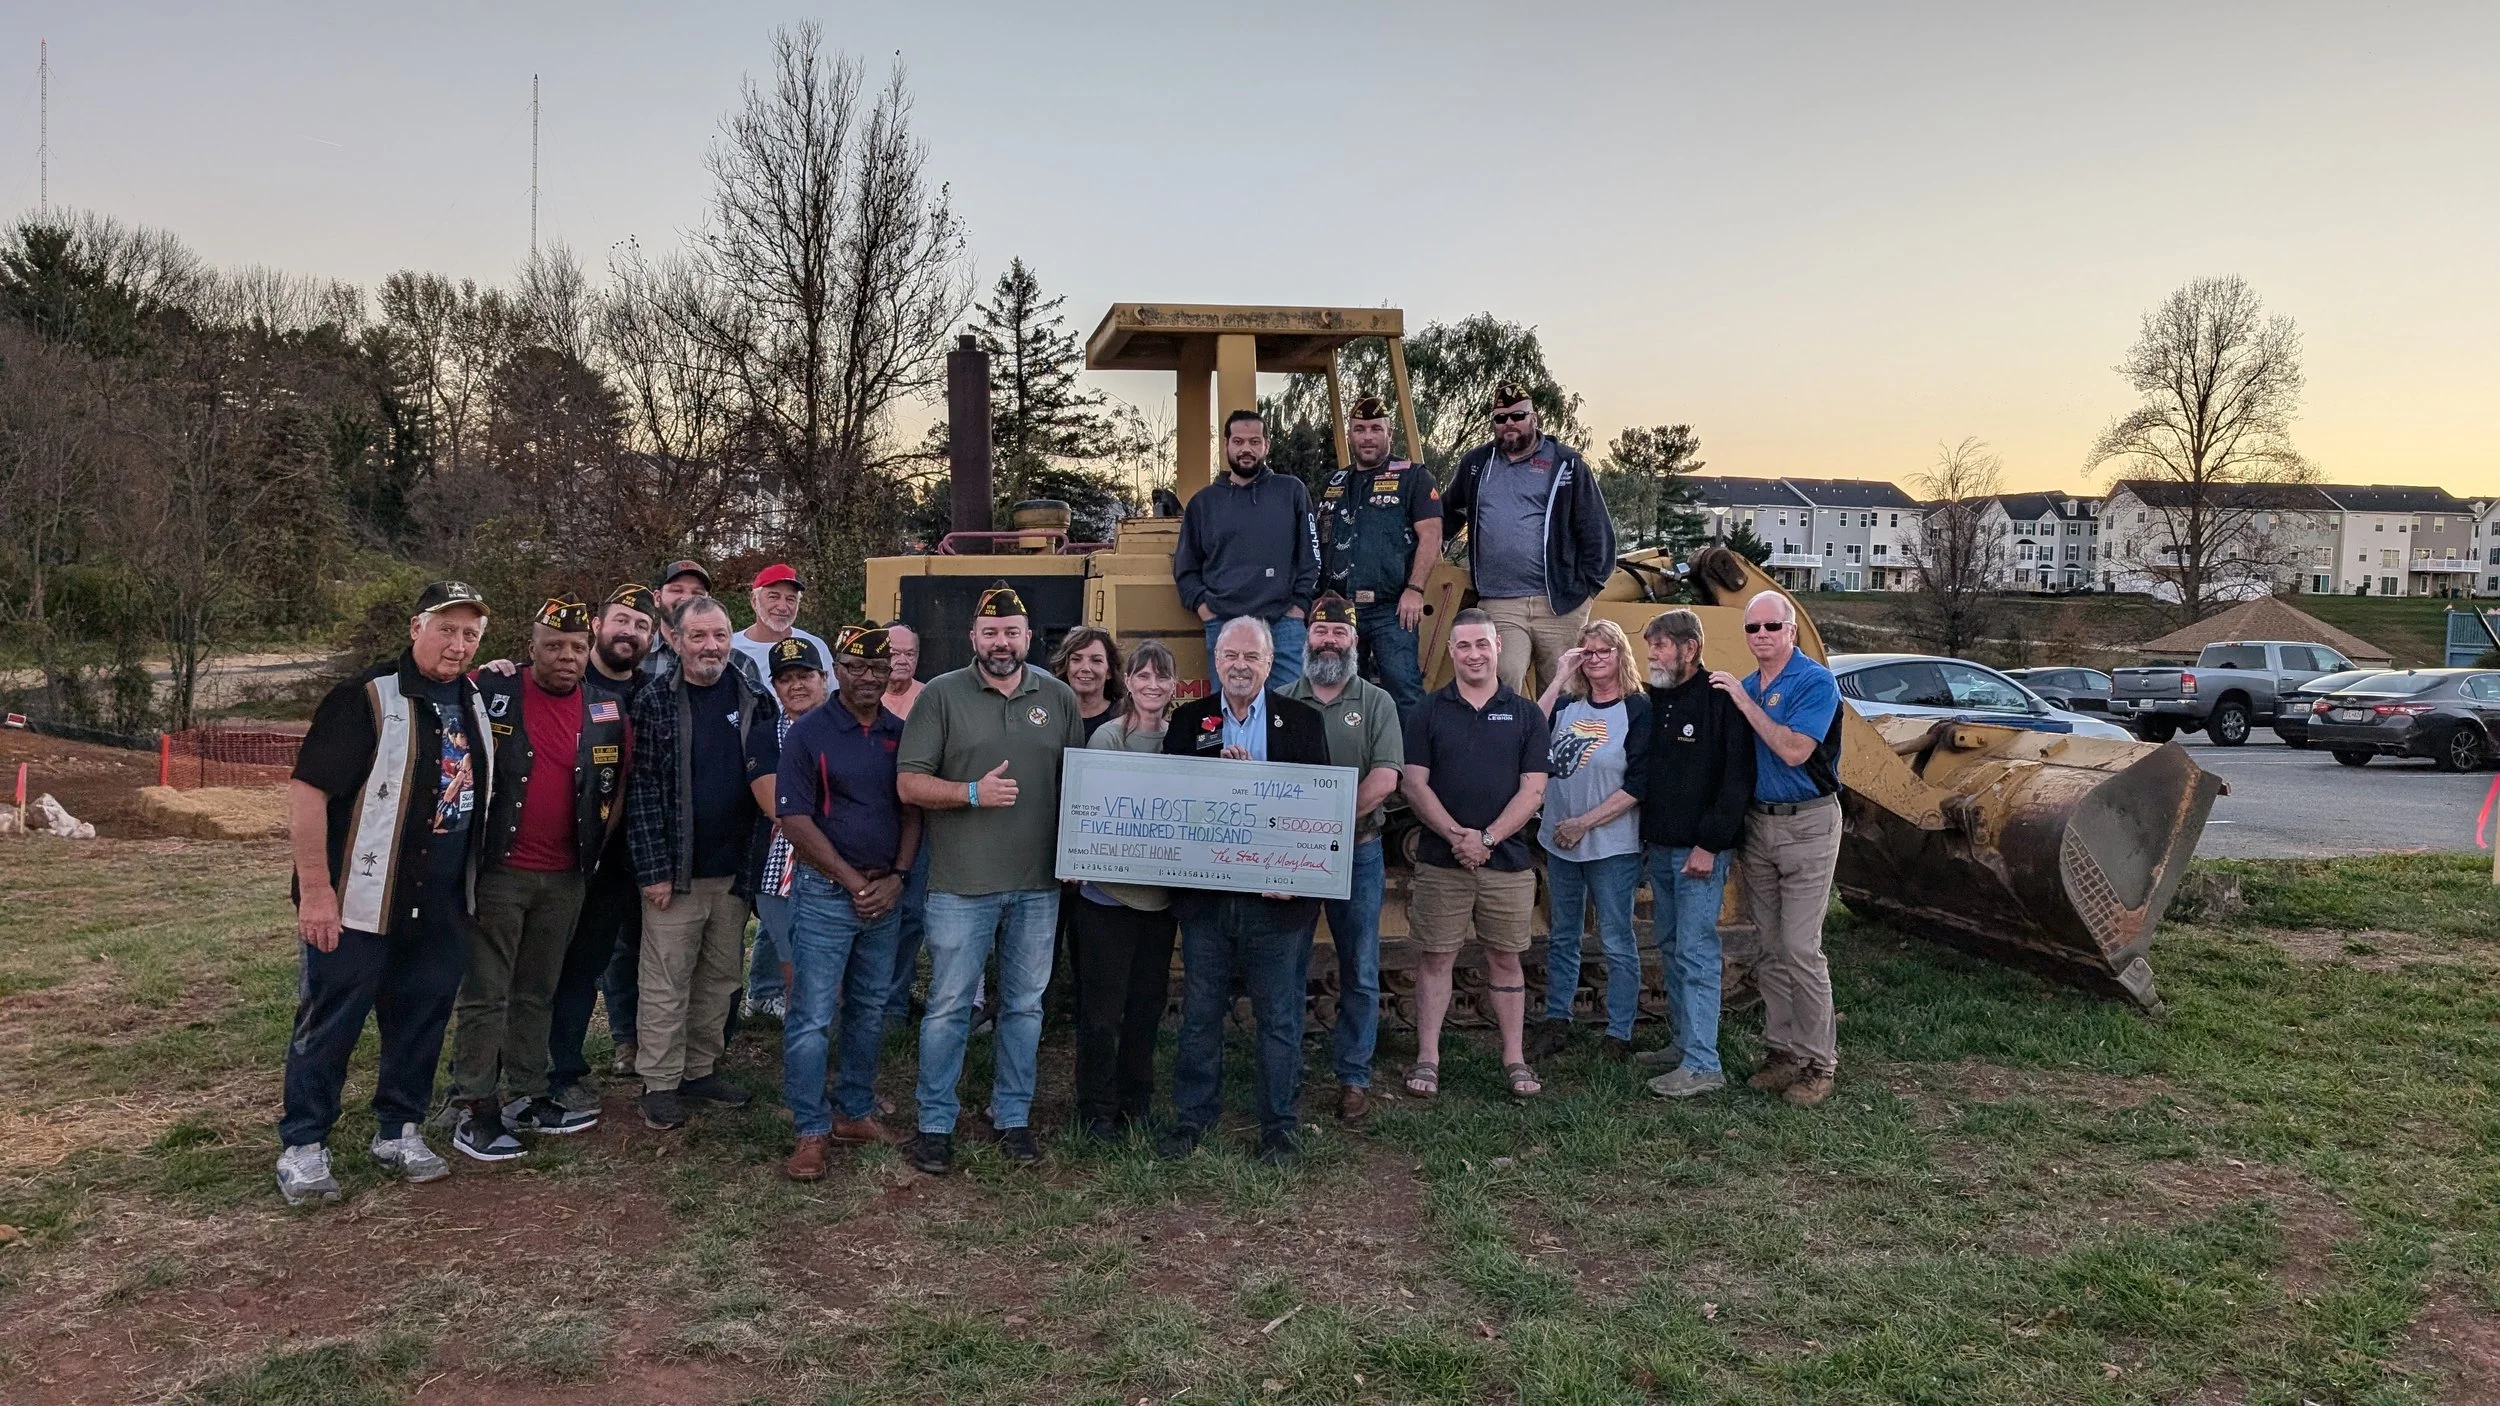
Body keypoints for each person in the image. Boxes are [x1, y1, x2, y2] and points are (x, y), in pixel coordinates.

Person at [274, 581, 495, 1206]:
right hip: (360, 900)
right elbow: (308, 792)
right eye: (446, 629)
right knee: (331, 1020)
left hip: (443, 900)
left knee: (422, 1017)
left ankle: (398, 1129)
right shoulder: (365, 698)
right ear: (415, 628)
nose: (457, 645)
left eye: (470, 634)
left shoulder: (475, 700)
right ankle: (305, 1145)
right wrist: (316, 891)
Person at [893, 584, 1088, 1174]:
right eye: (989, 632)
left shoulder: (1057, 698)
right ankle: (934, 1124)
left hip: (1038, 885)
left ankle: (1013, 1118)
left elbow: (1081, 785)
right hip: (960, 885)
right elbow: (909, 784)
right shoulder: (942, 697)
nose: (1001, 643)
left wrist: (1082, 853)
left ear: (1030, 638)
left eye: (1011, 633)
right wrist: (971, 793)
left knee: (1026, 1007)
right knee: (950, 1006)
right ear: (972, 637)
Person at [444, 596, 624, 1161]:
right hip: (500, 871)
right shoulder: (492, 690)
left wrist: (589, 851)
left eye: (576, 647)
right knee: (486, 992)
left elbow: (611, 789)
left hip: (566, 877)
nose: (566, 657)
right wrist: (485, 667)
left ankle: (527, 1092)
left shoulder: (607, 710)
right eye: (553, 646)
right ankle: (474, 1104)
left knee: (537, 991)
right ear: (530, 649)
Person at [1156, 618, 1335, 1165]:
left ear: (1268, 662)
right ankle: (1192, 1118)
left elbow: (1319, 807)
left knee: (1280, 1018)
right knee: (1201, 1012)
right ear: (1217, 661)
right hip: (1208, 902)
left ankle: (1279, 1125)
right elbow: (1172, 803)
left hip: (1276, 904)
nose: (1238, 665)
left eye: (1250, 657)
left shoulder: (1302, 722)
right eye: (1230, 654)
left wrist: (1260, 780)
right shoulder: (1191, 721)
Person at [624, 595, 780, 1131]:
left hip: (734, 870)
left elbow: (770, 786)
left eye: (719, 635)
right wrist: (653, 870)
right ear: (674, 639)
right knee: (667, 981)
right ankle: (660, 1082)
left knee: (719, 979)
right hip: (677, 870)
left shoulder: (754, 694)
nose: (711, 646)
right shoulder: (654, 701)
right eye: (698, 636)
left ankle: (699, 1070)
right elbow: (641, 791)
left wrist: (755, 871)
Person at [777, 625, 919, 1180]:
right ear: (836, 669)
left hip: (886, 892)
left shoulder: (901, 732)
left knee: (869, 1008)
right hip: (827, 894)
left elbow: (913, 809)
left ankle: (853, 1110)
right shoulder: (810, 733)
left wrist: (900, 876)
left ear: (891, 672)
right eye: (855, 667)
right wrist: (850, 882)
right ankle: (810, 1128)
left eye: (877, 668)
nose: (867, 677)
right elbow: (794, 818)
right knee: (813, 1015)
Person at [1399, 609, 1551, 1100]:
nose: (1474, 654)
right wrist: (1456, 836)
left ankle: (1514, 1058)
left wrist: (1485, 840)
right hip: (1443, 861)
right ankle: (1428, 1057)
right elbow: (1414, 783)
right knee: (1435, 958)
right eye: (1463, 646)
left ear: (1498, 647)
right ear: (1451, 652)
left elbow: (1533, 792)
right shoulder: (1428, 710)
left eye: (1482, 644)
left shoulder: (1526, 714)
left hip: (1506, 863)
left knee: (1506, 960)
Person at [1714, 590, 1846, 1108]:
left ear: (1791, 630)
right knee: (1768, 946)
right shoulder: (1748, 685)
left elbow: (1794, 750)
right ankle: (1782, 1052)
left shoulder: (1813, 682)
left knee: (1799, 946)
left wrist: (1745, 705)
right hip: (1760, 826)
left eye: (1772, 626)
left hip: (1808, 824)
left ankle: (1819, 1063)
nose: (1762, 636)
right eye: (1753, 629)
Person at [1280, 594, 1404, 1122]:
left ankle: (1354, 1074)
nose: (1328, 640)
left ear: (1354, 640)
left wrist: (1328, 821)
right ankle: (1284, 1072)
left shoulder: (1377, 702)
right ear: (1307, 637)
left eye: (1339, 633)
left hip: (1359, 851)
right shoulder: (1281, 698)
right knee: (1286, 965)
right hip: (1293, 857)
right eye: (1320, 632)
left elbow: (1385, 779)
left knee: (1359, 966)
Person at [1633, 608, 1754, 1099]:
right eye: (1650, 646)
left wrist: (1709, 844)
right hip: (1659, 849)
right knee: (1669, 947)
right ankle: (1683, 1043)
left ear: (1690, 648)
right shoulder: (1653, 701)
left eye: (1661, 646)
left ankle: (1705, 1064)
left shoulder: (1719, 702)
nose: (1652, 655)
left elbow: (1736, 780)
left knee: (1697, 953)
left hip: (1698, 854)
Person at [547, 584, 657, 1110]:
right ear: (596, 624)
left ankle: (564, 1069)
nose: (628, 632)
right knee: (537, 966)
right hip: (554, 854)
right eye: (620, 620)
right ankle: (494, 1074)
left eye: (640, 626)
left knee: (587, 965)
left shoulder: (652, 692)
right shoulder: (562, 678)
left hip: (619, 858)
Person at [1067, 640, 1180, 1141]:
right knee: (1100, 1012)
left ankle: (1136, 1104)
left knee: (1144, 1009)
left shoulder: (1185, 741)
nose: (1152, 685)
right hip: (1108, 899)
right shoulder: (1108, 739)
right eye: (1143, 676)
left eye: (1162, 677)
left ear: (1174, 686)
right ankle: (1095, 1109)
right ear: (1128, 682)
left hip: (1161, 901)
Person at [1526, 618, 1651, 1065]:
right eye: (1588, 651)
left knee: (1616, 937)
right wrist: (1559, 674)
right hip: (1561, 841)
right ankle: (1557, 1019)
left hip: (1610, 844)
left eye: (1605, 651)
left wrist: (1585, 822)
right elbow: (1526, 730)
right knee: (1563, 934)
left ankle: (1619, 1032)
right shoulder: (1566, 704)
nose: (1596, 659)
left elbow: (1639, 783)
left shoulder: (1637, 710)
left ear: (1621, 655)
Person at [1440, 385, 1616, 695]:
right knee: (1502, 680)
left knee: (1562, 689)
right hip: (1500, 600)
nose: (1509, 423)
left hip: (1559, 603)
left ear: (1534, 418)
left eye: (1517, 415)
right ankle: (1511, 743)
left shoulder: (1566, 463)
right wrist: (1427, 544)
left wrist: (1587, 591)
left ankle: (1554, 745)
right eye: (1500, 417)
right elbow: (1447, 514)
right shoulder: (1477, 464)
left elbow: (1596, 532)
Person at [1172, 408, 1319, 689]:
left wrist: (1300, 607)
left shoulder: (1291, 492)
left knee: (1289, 713)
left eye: (1254, 441)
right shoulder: (1203, 503)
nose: (1246, 449)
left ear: (1266, 445)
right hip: (1223, 623)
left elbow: (1311, 557)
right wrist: (1207, 611)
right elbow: (1185, 569)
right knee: (1230, 713)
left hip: (1284, 625)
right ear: (1226, 444)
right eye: (1238, 442)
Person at [1316, 395, 1441, 719]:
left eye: (1375, 428)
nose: (1367, 436)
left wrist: (1414, 590)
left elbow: (1431, 536)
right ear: (1350, 436)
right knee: (1337, 691)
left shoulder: (1413, 477)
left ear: (1390, 433)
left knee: (1405, 692)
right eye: (1360, 429)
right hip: (1340, 608)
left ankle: (1414, 769)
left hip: (1392, 608)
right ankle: (1348, 767)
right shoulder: (1333, 482)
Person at [746, 634, 832, 1023]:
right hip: (780, 870)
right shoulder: (763, 735)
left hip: (848, 867)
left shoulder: (850, 726)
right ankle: (803, 1059)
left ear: (824, 677)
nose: (796, 685)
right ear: (775, 686)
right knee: (796, 968)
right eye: (785, 678)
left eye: (805, 675)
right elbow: (777, 809)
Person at [876, 619, 930, 1029]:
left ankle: (895, 1003)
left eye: (909, 653)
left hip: (919, 824)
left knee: (912, 913)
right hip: (870, 823)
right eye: (894, 652)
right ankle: (861, 1000)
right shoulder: (858, 695)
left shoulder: (930, 699)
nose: (902, 660)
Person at [729, 562, 831, 692]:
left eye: (790, 599)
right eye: (773, 597)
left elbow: (831, 699)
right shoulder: (730, 649)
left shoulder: (815, 647)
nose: (782, 607)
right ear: (754, 600)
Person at [641, 559, 712, 682]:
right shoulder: (635, 657)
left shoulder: (736, 662)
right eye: (677, 590)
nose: (687, 599)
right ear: (657, 598)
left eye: (697, 593)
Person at [1051, 626, 1124, 740]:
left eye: (1096, 660)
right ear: (1065, 667)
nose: (1085, 668)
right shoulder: (1050, 715)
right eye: (1076, 659)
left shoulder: (1124, 718)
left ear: (1109, 671)